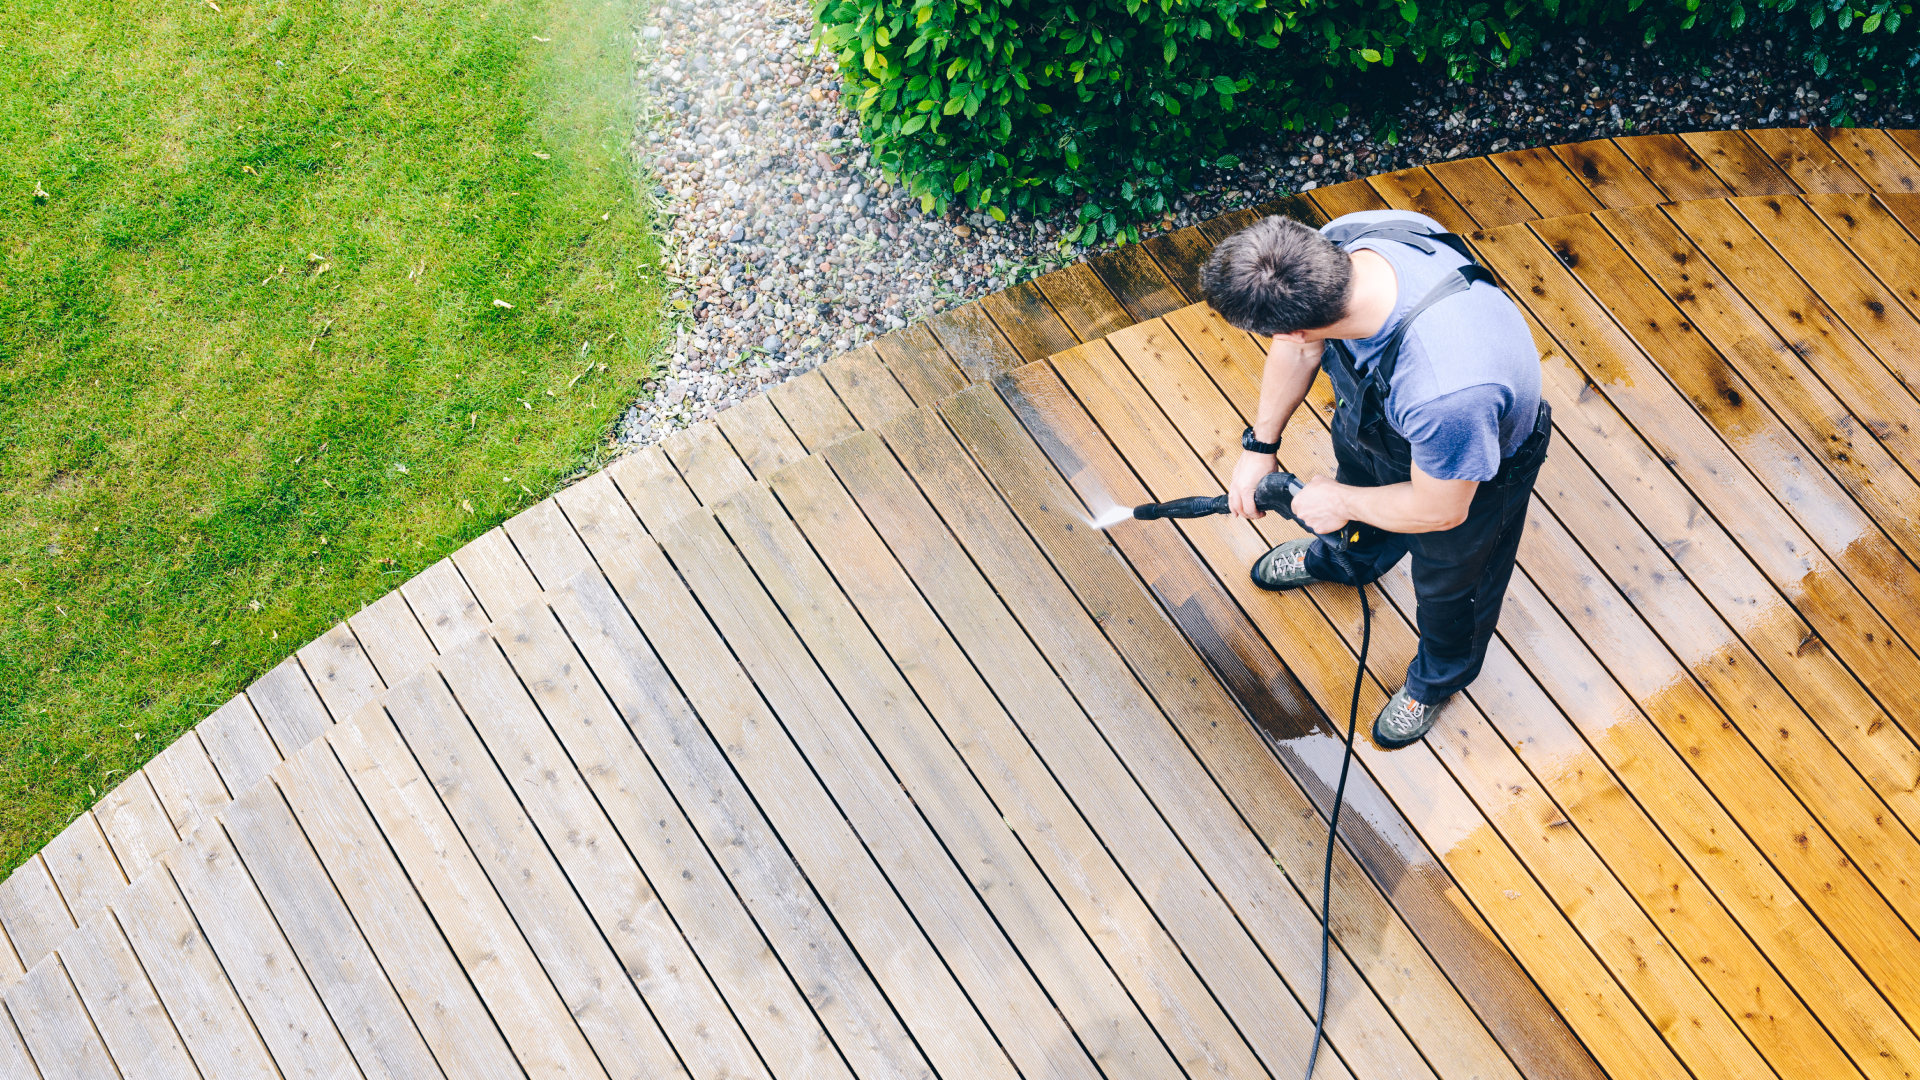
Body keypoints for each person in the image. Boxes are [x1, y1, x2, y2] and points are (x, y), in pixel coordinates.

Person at [1199, 209, 1552, 749]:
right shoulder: (1344, 241)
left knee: (1452, 590)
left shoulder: (1446, 390)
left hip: (1470, 478)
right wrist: (1260, 446)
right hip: (1376, 425)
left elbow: (1440, 510)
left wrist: (1339, 500)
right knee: (1354, 506)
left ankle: (1436, 680)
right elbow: (1299, 345)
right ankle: (1347, 560)